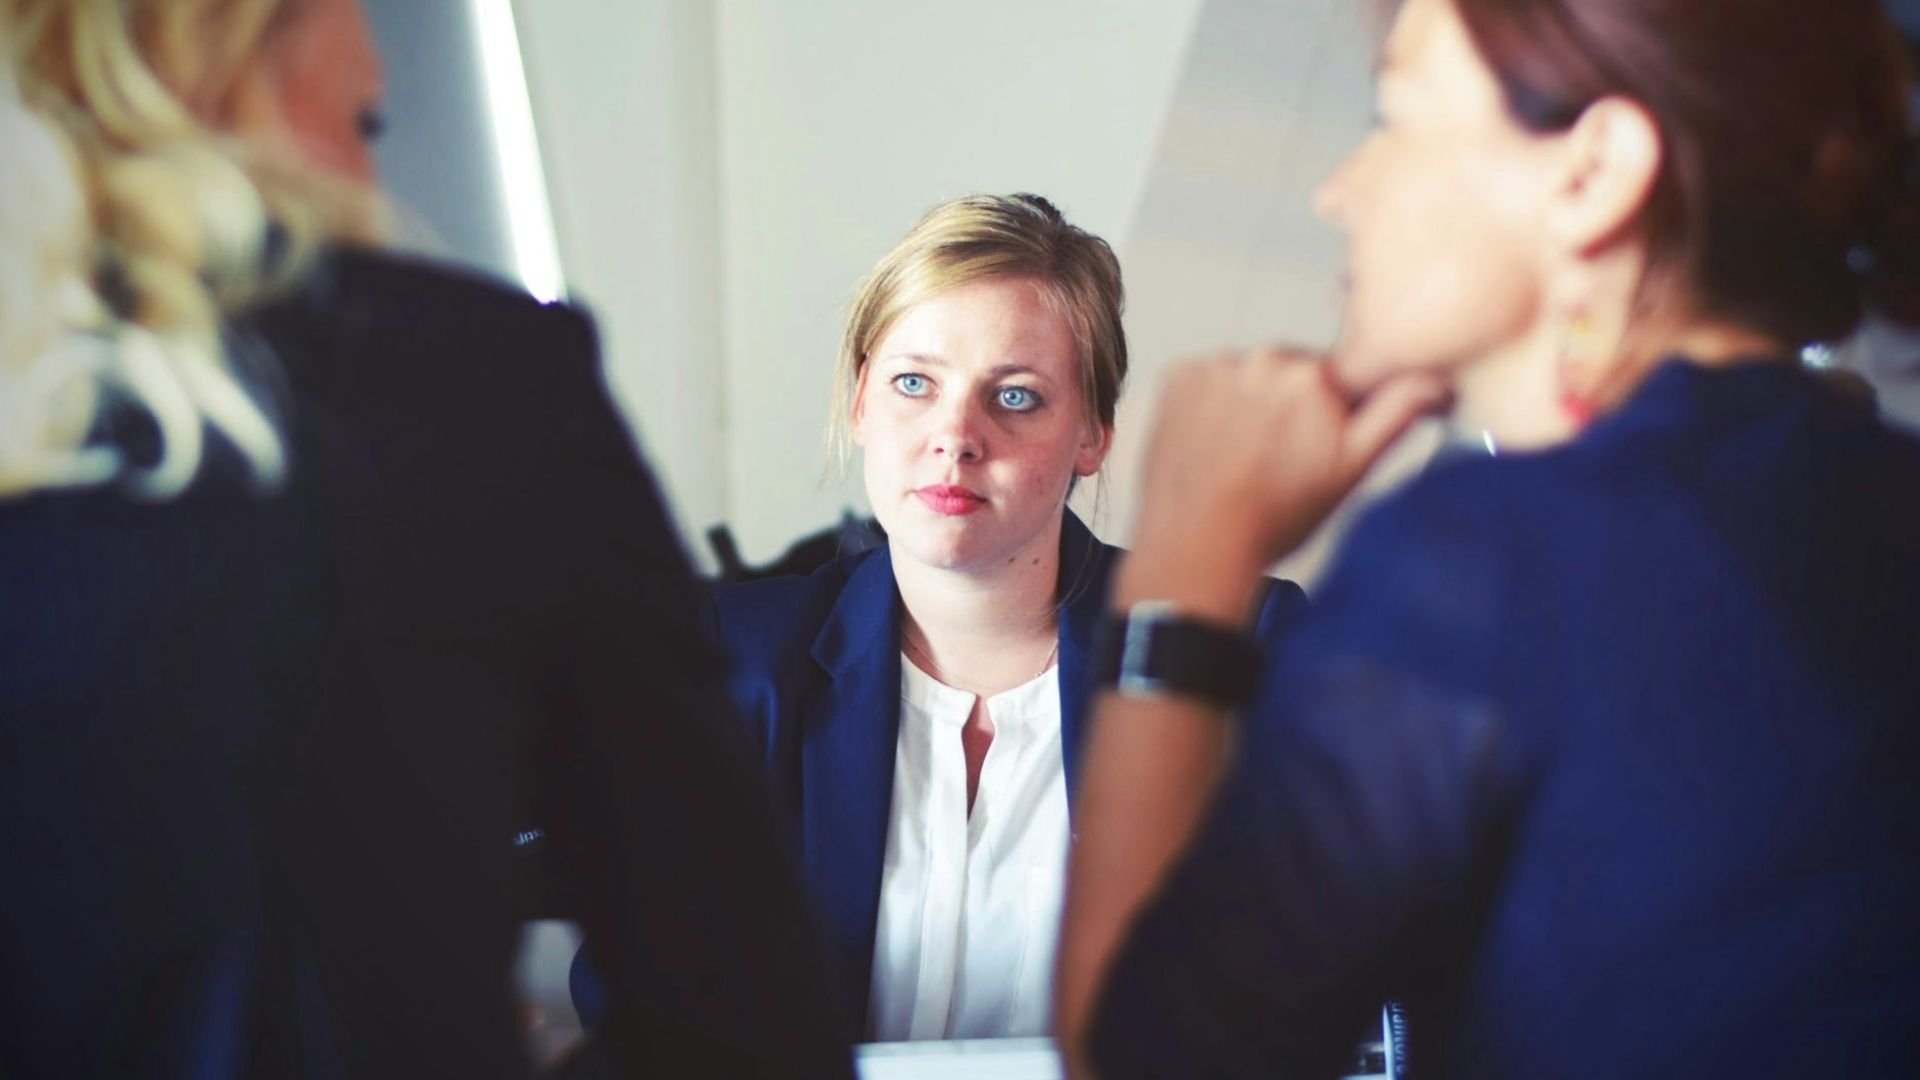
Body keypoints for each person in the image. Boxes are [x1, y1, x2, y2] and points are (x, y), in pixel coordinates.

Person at [1054, 0, 1920, 1076]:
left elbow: (1145, 1064)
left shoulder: (1488, 561)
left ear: (1592, 172)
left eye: (1396, 120)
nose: (1340, 191)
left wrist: (1190, 547)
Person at [0, 1, 849, 1076]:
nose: (368, 187)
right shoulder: (462, 383)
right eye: (366, 126)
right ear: (217, 57)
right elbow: (744, 1017)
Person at [578, 194, 1305, 1043]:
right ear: (859, 402)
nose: (954, 437)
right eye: (913, 383)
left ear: (1092, 435)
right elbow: (635, 1012)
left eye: (1018, 397)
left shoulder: (1235, 647)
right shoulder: (728, 658)